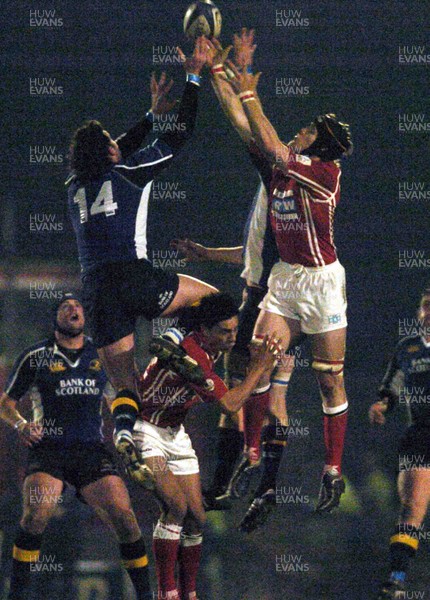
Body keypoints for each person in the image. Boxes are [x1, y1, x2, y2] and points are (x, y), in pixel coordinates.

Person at [206, 34, 353, 521]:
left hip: (324, 284)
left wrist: (250, 90)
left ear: (321, 145)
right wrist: (218, 75)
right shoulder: (280, 173)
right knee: (258, 358)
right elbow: (245, 126)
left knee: (330, 381)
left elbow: (268, 137)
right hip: (287, 280)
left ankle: (332, 469)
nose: (301, 131)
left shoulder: (323, 174)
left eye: (309, 130)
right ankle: (250, 458)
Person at [66, 37, 218, 478]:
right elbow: (180, 135)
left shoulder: (73, 187)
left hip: (95, 292)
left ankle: (126, 436)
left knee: (124, 383)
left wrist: (150, 116)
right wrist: (194, 77)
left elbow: (114, 150)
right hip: (135, 278)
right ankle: (171, 342)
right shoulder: (130, 173)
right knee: (207, 300)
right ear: (111, 153)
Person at [172, 31, 297, 525]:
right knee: (265, 387)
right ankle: (257, 481)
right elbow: (254, 252)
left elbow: (243, 123)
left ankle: (240, 472)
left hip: (267, 299)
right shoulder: (286, 186)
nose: (291, 140)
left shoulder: (281, 175)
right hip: (282, 294)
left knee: (241, 387)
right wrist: (207, 252)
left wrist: (222, 72)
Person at [0, 294, 152, 600]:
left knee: (125, 518)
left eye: (79, 306)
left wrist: (134, 434)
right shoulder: (36, 356)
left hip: (91, 451)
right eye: (66, 307)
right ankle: (16, 595)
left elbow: (119, 401)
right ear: (55, 318)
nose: (74, 310)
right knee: (35, 517)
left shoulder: (102, 355)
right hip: (49, 450)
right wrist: (22, 425)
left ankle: (147, 595)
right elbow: (6, 404)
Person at [130, 293, 281, 600]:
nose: (232, 337)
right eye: (225, 331)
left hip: (175, 432)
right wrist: (259, 368)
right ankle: (167, 592)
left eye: (235, 330)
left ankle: (190, 593)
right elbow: (229, 404)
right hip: (145, 429)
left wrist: (255, 356)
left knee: (197, 517)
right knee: (176, 507)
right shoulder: (192, 355)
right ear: (205, 331)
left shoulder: (209, 346)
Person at [370, 290, 430, 599]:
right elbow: (392, 384)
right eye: (426, 307)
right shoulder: (408, 348)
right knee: (413, 507)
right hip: (421, 436)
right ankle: (396, 580)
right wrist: (383, 404)